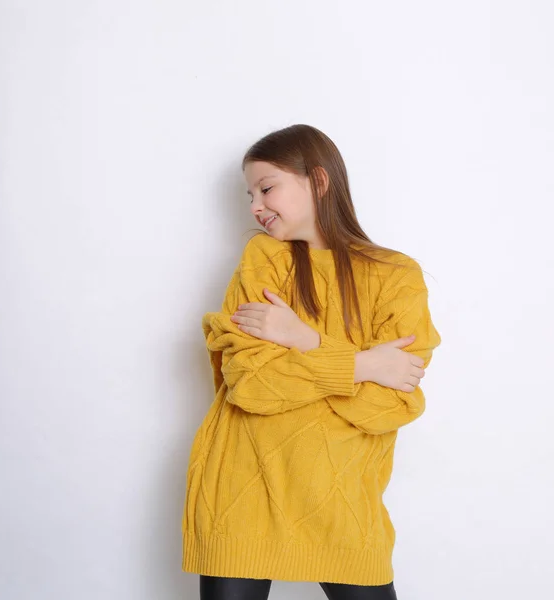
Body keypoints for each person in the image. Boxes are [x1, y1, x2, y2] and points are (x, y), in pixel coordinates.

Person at [182, 124, 442, 600]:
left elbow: (390, 407)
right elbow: (251, 387)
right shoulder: (264, 259)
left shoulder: (396, 275)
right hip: (244, 492)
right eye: (249, 194)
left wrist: (301, 339)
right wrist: (362, 366)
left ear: (319, 182)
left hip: (344, 501)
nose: (255, 206)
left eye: (266, 188)